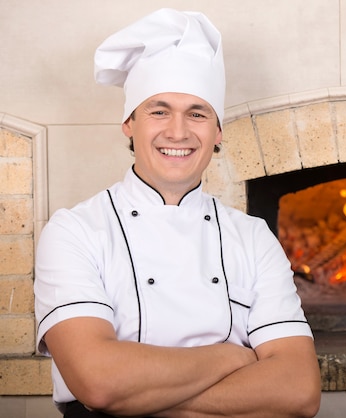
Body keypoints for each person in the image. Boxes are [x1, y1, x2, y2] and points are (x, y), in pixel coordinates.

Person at [34, 8, 321, 418]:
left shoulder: (253, 237)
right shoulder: (75, 232)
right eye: (159, 110)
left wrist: (136, 395)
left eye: (197, 113)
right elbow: (97, 384)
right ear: (129, 123)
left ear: (217, 131)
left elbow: (299, 391)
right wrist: (230, 358)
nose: (178, 131)